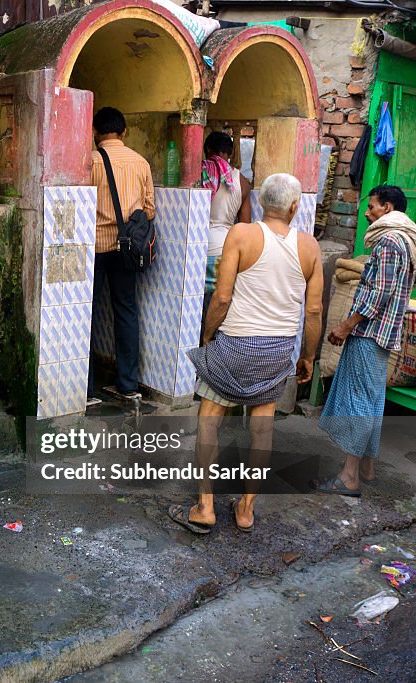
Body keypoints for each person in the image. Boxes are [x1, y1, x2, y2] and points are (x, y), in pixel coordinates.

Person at [168, 173, 323, 534]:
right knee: (262, 430)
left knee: (209, 420)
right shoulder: (310, 247)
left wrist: (207, 336)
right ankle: (246, 509)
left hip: (236, 343)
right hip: (278, 349)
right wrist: (308, 357)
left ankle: (205, 506)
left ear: (258, 202)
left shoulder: (242, 234)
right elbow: (313, 312)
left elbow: (222, 297)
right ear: (295, 207)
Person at [316, 185, 416, 495]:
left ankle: (349, 476)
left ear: (388, 208)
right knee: (371, 399)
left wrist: (346, 325)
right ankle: (365, 467)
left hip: (370, 333)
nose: (367, 213)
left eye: (373, 207)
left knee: (359, 402)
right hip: (382, 334)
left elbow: (377, 294)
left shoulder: (389, 241)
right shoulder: (401, 240)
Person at [88, 106, 156, 405]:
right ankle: (128, 385)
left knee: (85, 314)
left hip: (96, 246)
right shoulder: (141, 162)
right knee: (126, 311)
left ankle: (86, 389)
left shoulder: (90, 162)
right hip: (128, 249)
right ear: (124, 131)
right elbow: (150, 210)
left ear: (94, 132)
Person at [201, 131, 252, 322]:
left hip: (200, 246)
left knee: (196, 302)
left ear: (208, 150)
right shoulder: (243, 183)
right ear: (230, 153)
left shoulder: (200, 172)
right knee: (220, 301)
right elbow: (245, 226)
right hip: (227, 249)